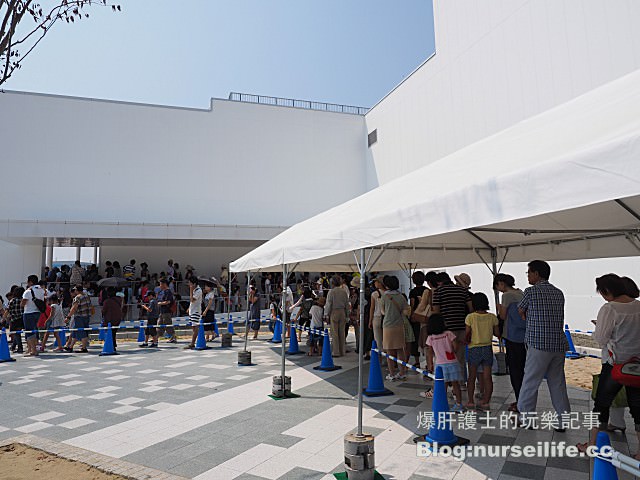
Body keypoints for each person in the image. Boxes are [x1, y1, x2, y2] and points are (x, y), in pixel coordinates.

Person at [577, 274, 640, 458]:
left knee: (601, 404)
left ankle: (592, 444)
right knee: (638, 409)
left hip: (615, 366)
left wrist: (600, 327)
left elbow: (601, 338)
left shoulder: (610, 309)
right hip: (637, 367)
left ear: (607, 291)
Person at [517, 260, 570, 430]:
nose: (528, 276)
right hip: (558, 344)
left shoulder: (530, 292)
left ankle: (527, 419)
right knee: (557, 383)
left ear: (536, 274)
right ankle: (562, 421)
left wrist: (529, 317)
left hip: (538, 344)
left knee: (530, 382)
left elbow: (521, 310)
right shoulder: (559, 292)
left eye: (529, 273)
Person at [431, 272, 473, 386]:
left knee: (444, 358)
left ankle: (446, 383)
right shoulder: (462, 290)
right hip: (462, 326)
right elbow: (470, 308)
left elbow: (436, 312)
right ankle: (460, 383)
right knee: (460, 357)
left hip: (447, 329)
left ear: (439, 282)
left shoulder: (439, 291)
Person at [494, 273, 525, 412]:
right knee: (523, 370)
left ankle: (520, 403)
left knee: (515, 371)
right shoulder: (521, 292)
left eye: (497, 285)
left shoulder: (507, 296)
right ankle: (523, 400)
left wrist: (499, 308)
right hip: (524, 337)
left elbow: (502, 316)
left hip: (512, 336)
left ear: (501, 283)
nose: (498, 289)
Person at [465, 292, 500, 410]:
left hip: (473, 348)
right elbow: (497, 333)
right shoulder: (492, 317)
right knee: (487, 377)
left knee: (472, 377)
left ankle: (470, 401)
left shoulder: (470, 317)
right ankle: (485, 402)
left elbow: (467, 334)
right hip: (487, 348)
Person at [423, 313, 464, 411]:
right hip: (452, 362)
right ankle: (459, 405)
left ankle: (443, 405)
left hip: (440, 365)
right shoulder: (448, 334)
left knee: (442, 386)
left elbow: (429, 353)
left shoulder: (431, 338)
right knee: (456, 385)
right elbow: (455, 347)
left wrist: (430, 365)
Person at [381, 275, 410, 381]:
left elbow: (382, 311)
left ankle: (392, 373)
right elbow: (406, 310)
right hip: (399, 325)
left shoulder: (384, 296)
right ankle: (402, 372)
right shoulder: (401, 296)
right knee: (400, 350)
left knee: (389, 351)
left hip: (388, 325)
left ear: (387, 285)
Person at [324, 276, 349, 357]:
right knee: (342, 332)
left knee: (334, 333)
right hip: (342, 311)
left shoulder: (331, 292)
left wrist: (326, 314)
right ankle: (342, 351)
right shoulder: (344, 291)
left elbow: (329, 304)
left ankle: (336, 352)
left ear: (333, 283)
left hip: (334, 311)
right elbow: (347, 304)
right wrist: (347, 314)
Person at [21, 275, 45, 356]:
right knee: (34, 330)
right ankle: (30, 349)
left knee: (29, 331)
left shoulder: (28, 291)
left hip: (28, 312)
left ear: (30, 282)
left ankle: (33, 350)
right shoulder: (41, 290)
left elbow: (23, 303)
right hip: (37, 312)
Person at [64, 285, 92, 353]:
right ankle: (70, 347)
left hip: (80, 316)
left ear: (77, 290)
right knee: (75, 331)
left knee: (82, 332)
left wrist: (68, 317)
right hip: (87, 316)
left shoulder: (77, 298)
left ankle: (84, 348)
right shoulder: (87, 296)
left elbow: (74, 308)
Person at [408, 271, 427, 369]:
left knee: (415, 339)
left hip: (416, 318)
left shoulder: (413, 292)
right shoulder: (427, 290)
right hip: (426, 318)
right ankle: (429, 363)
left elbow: (412, 304)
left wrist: (411, 315)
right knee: (426, 339)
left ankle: (417, 361)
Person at [368, 276, 386, 352]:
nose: (374, 283)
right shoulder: (388, 293)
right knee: (386, 339)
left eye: (376, 282)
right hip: (386, 318)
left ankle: (380, 358)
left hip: (376, 317)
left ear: (379, 283)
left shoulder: (374, 294)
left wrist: (370, 320)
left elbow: (372, 308)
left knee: (378, 339)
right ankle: (388, 358)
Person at [185, 277, 203, 349]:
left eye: (190, 283)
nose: (189, 284)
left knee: (195, 327)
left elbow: (192, 300)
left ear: (194, 284)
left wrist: (190, 290)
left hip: (196, 311)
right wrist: (189, 308)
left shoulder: (198, 291)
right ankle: (194, 341)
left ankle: (192, 343)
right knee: (193, 326)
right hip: (192, 310)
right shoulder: (195, 290)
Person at [157, 278, 176, 343]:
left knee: (168, 324)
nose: (160, 286)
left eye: (160, 284)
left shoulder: (168, 291)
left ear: (164, 284)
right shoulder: (163, 292)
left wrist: (160, 303)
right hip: (162, 311)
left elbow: (168, 301)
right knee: (159, 324)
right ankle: (156, 337)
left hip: (167, 311)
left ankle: (173, 337)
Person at [8, 286, 24, 353]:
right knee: (17, 333)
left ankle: (20, 347)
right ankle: (13, 346)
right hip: (21, 319)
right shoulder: (23, 300)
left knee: (16, 334)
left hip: (14, 319)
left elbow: (9, 309)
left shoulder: (12, 300)